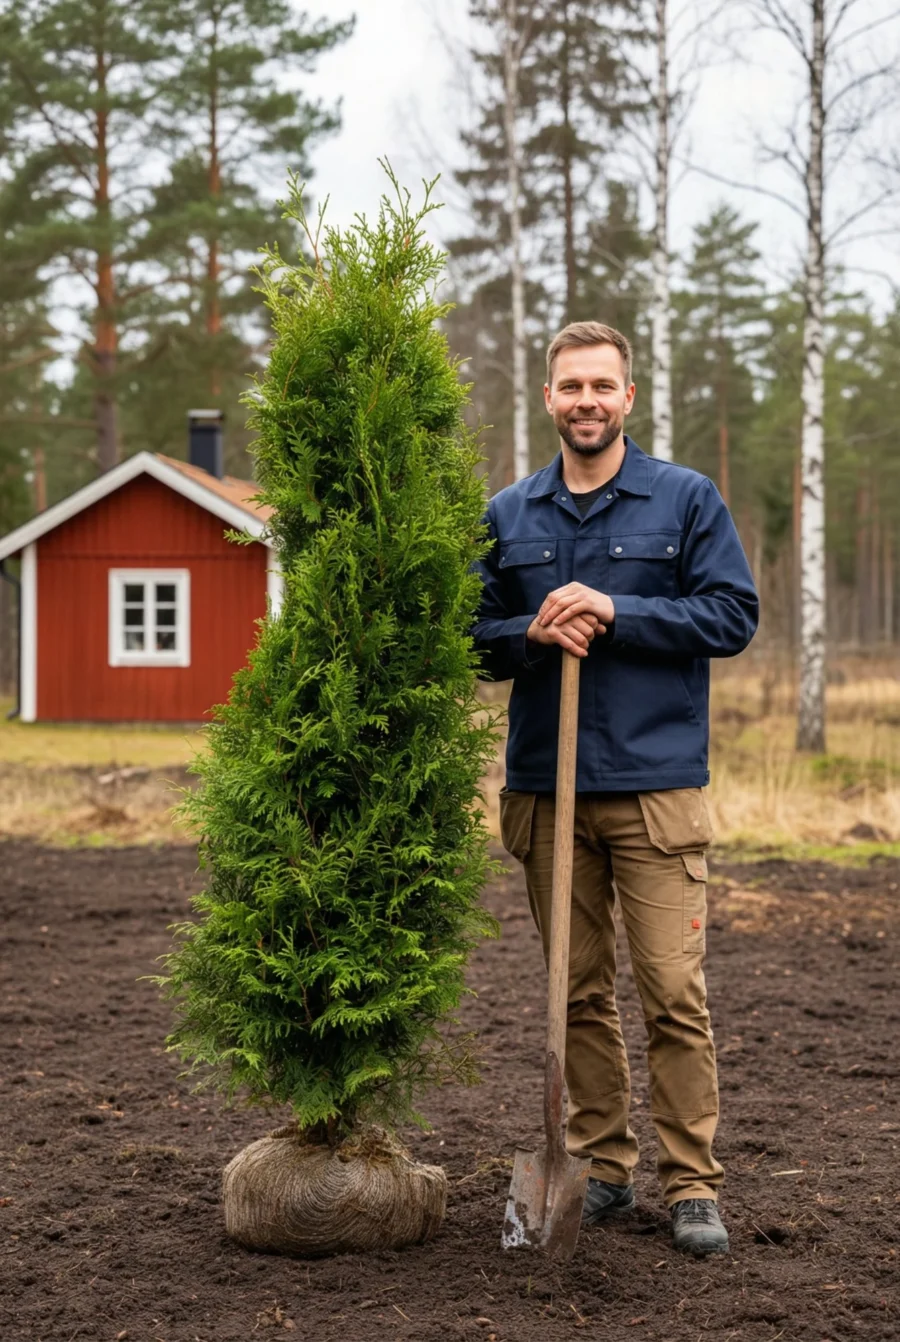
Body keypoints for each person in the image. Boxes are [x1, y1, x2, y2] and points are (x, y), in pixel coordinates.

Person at [473, 321, 759, 1256]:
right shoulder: (509, 513)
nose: (586, 401)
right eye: (570, 386)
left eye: (602, 385)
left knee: (674, 993)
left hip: (654, 792)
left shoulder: (684, 499)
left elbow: (731, 614)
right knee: (578, 994)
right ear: (548, 398)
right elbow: (469, 637)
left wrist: (614, 608)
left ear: (627, 397)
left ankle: (692, 1186)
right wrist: (531, 635)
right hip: (546, 795)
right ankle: (598, 1167)